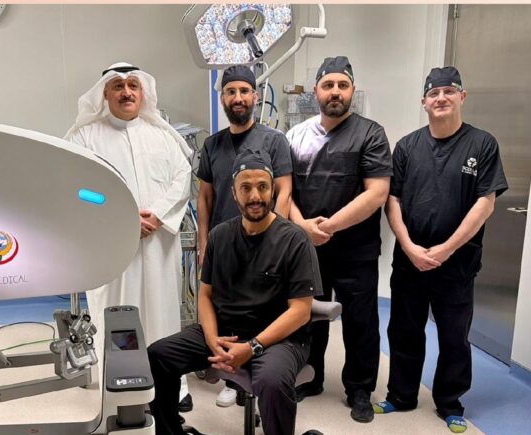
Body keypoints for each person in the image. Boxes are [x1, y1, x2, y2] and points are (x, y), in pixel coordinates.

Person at [148, 148, 321, 435]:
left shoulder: (295, 240)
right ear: (233, 193)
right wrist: (212, 338)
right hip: (226, 330)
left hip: (279, 339)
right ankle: (169, 431)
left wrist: (252, 347)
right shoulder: (220, 236)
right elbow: (205, 295)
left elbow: (301, 310)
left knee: (272, 381)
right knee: (158, 355)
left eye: (263, 187)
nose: (255, 196)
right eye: (246, 188)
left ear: (272, 190)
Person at [374, 66, 507, 434]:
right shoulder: (407, 146)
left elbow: (486, 202)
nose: (441, 98)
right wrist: (408, 245)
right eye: (434, 93)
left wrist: (446, 249)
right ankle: (401, 395)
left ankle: (450, 403)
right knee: (404, 330)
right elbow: (393, 200)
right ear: (424, 102)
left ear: (461, 97)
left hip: (457, 264)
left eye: (449, 91)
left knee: (453, 336)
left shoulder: (482, 144)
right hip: (410, 260)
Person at [64, 62, 194, 409]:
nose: (126, 92)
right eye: (118, 86)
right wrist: (123, 218)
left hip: (158, 245)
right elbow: (80, 189)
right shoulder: (83, 138)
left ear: (144, 92)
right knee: (117, 315)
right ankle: (120, 385)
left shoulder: (163, 136)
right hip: (112, 246)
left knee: (163, 314)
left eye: (133, 85)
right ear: (105, 93)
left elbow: (181, 179)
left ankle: (171, 387)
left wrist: (157, 214)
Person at [285, 56, 392, 423]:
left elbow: (376, 193)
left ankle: (359, 389)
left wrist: (326, 228)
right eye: (328, 85)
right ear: (315, 90)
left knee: (360, 321)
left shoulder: (371, 134)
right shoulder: (295, 136)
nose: (335, 92)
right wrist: (302, 227)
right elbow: (286, 193)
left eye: (342, 85)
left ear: (352, 91)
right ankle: (310, 376)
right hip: (307, 250)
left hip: (355, 250)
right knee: (306, 316)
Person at [196, 64, 293, 407]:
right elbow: (205, 197)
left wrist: (273, 241)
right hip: (224, 248)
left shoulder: (274, 141)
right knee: (227, 311)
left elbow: (284, 191)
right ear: (221, 97)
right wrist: (205, 242)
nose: (238, 98)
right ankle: (233, 379)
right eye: (230, 92)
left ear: (255, 96)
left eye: (243, 91)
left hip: (262, 243)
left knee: (260, 309)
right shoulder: (212, 145)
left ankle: (265, 377)